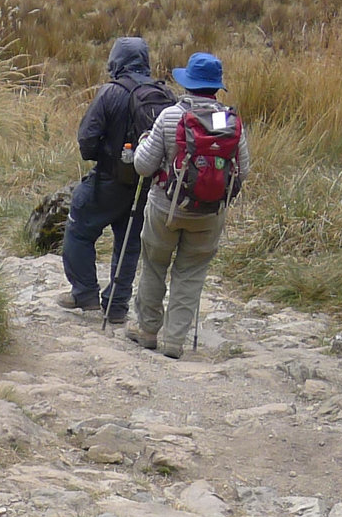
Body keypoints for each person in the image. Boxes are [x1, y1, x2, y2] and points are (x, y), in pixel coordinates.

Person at [128, 53, 248, 359]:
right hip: (209, 213)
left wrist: (144, 142)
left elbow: (143, 166)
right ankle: (174, 340)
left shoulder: (170, 116)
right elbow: (242, 170)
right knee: (191, 272)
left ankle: (147, 330)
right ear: (216, 87)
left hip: (165, 208)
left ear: (187, 83)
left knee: (155, 265)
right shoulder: (231, 122)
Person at [59, 37, 177, 323]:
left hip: (109, 180)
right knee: (129, 244)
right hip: (147, 184)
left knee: (79, 227)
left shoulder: (110, 92)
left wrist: (107, 155)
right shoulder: (166, 95)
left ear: (116, 61)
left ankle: (84, 293)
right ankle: (117, 306)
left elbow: (87, 142)